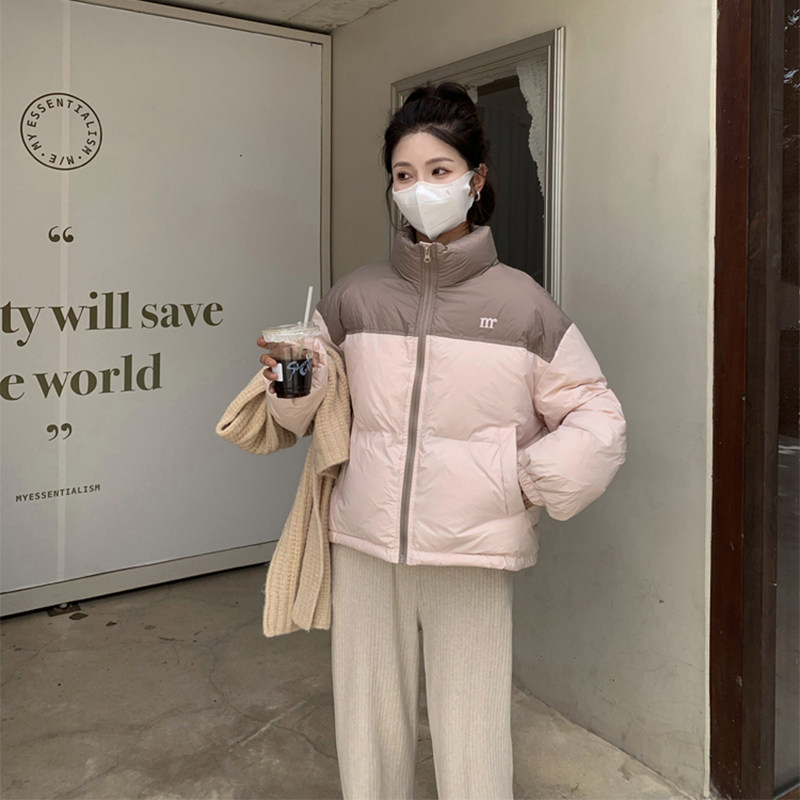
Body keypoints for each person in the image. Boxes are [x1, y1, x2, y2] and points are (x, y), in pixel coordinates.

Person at [257, 82, 626, 800]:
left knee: (473, 730)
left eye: (438, 170)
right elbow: (310, 418)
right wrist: (291, 387)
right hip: (364, 541)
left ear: (474, 179)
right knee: (367, 725)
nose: (420, 188)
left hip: (472, 549)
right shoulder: (355, 295)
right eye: (404, 174)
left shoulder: (521, 303)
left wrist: (518, 481)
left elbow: (598, 416)